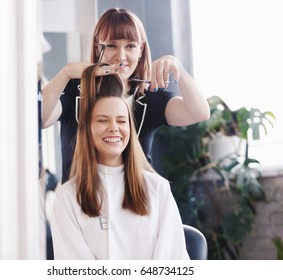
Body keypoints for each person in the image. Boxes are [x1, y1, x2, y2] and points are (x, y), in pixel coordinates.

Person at [42, 8, 210, 183]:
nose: (120, 56)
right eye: (111, 45)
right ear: (96, 46)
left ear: (141, 50)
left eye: (130, 46)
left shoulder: (150, 97)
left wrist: (178, 68)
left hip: (136, 204)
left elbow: (199, 113)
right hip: (79, 205)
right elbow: (41, 119)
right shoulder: (74, 90)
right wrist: (66, 73)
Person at [49, 63, 189, 259]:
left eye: (122, 121)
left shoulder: (158, 189)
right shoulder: (66, 198)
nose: (114, 128)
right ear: (87, 129)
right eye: (103, 120)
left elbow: (173, 261)